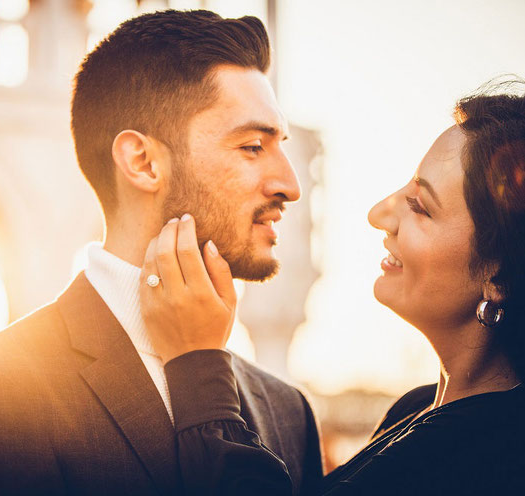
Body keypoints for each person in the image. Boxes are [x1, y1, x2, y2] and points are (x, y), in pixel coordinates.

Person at [0, 10, 323, 495]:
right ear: (143, 162)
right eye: (253, 146)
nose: (291, 185)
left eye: (280, 145)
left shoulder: (287, 412)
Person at [139, 81, 525, 495]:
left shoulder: (494, 456)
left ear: (497, 276)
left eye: (420, 207)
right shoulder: (417, 409)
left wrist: (197, 363)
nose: (379, 214)